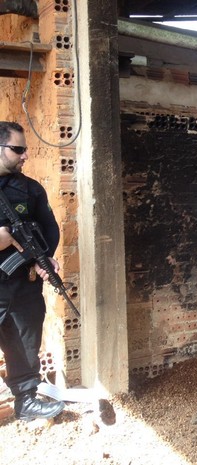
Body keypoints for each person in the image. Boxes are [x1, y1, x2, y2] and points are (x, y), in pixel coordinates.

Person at [0, 122, 65, 421]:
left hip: (22, 283)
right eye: (18, 149)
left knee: (26, 337)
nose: (25, 155)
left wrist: (45, 258)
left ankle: (26, 401)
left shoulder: (29, 189)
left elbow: (49, 228)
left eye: (25, 149)